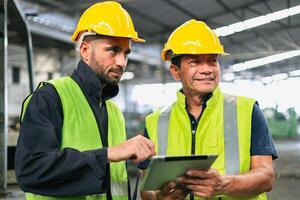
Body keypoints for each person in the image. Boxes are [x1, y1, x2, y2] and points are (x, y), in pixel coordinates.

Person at [15, 2, 155, 200]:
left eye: (126, 53)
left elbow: (117, 183)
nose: (121, 62)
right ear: (85, 50)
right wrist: (108, 154)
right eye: (113, 50)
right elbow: (30, 171)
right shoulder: (50, 97)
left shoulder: (114, 112)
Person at [140, 19, 277, 200]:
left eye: (212, 61)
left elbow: (267, 176)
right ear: (175, 71)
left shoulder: (248, 111)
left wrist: (224, 185)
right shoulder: (155, 122)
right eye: (195, 62)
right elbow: (145, 188)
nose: (207, 69)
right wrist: (157, 197)